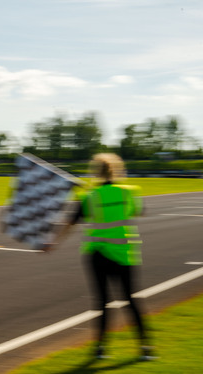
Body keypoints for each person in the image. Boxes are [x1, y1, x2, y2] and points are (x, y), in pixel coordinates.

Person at [45, 153, 156, 361]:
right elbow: (140, 212)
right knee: (130, 299)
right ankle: (146, 347)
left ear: (95, 171)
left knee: (102, 301)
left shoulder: (89, 195)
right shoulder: (129, 192)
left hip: (97, 253)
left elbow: (70, 222)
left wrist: (53, 243)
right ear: (117, 170)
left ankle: (100, 348)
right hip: (124, 253)